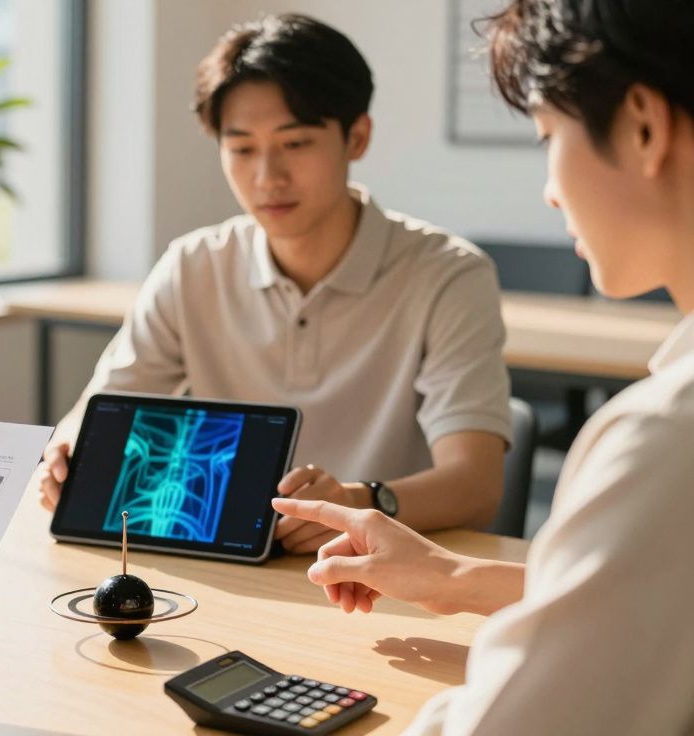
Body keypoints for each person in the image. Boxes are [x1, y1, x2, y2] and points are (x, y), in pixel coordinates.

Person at [274, 0, 694, 732]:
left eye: (548, 137)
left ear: (644, 127)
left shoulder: (665, 441)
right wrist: (456, 577)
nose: (550, 188)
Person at [36, 14, 512, 552]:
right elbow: (102, 406)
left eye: (296, 143)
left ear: (356, 137)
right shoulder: (193, 265)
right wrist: (71, 450)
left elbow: (476, 486)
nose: (267, 177)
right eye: (241, 149)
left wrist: (360, 502)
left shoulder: (448, 274)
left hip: (382, 577)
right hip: (225, 563)